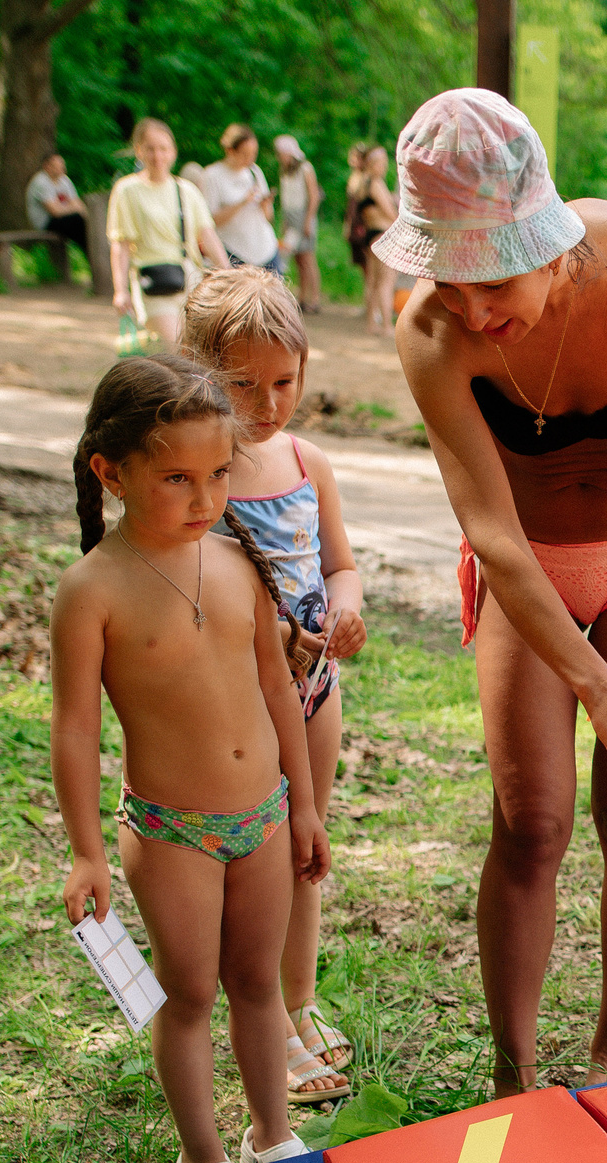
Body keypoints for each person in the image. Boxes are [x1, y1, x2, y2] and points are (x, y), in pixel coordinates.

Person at [381, 88, 607, 1091]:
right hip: (527, 568)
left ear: (551, 239)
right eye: (449, 276)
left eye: (494, 277)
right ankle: (513, 1078)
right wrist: (593, 688)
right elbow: (491, 536)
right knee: (531, 819)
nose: (476, 311)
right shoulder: (431, 337)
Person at [52, 354, 325, 1163]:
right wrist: (87, 850)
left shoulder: (240, 566)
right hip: (172, 831)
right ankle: (202, 1154)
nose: (205, 498)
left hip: (266, 815)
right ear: (113, 472)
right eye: (177, 477)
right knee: (190, 994)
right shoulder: (92, 589)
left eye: (216, 474)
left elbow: (280, 692)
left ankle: (270, 1133)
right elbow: (74, 728)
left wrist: (305, 806)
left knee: (256, 981)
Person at [182, 268, 366, 1106]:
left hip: (317, 690)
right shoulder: (200, 479)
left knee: (306, 848)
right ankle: (260, 1014)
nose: (266, 402)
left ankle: (301, 1000)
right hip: (240, 707)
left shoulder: (307, 461)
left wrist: (348, 606)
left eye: (284, 381)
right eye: (242, 384)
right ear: (200, 371)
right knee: (252, 865)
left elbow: (339, 563)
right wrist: (269, 634)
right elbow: (189, 593)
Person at [107, 118, 228, 348]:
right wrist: (120, 290)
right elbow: (121, 244)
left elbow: (207, 235)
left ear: (173, 152)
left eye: (163, 148)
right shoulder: (127, 190)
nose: (157, 155)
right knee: (175, 344)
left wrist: (228, 274)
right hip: (152, 282)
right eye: (150, 149)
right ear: (139, 151)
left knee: (197, 348)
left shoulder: (187, 190)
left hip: (190, 280)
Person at [204, 122, 279, 275]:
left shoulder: (254, 171)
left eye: (253, 153)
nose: (250, 159)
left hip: (266, 249)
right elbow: (209, 222)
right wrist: (243, 202)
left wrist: (265, 204)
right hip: (235, 252)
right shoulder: (212, 176)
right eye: (245, 154)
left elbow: (268, 217)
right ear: (230, 150)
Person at [348, 141, 398, 332]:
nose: (385, 167)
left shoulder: (361, 183)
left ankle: (372, 323)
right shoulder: (376, 184)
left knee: (373, 282)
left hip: (371, 235)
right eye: (383, 162)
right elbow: (390, 213)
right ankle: (386, 324)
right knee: (386, 281)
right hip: (383, 234)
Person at [273, 134, 324, 312]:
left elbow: (314, 196)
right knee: (297, 259)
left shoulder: (305, 168)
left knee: (308, 258)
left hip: (304, 215)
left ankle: (315, 299)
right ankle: (302, 297)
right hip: (291, 217)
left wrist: (308, 221)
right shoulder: (285, 171)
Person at [26, 149, 88, 257]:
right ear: (47, 166)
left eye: (62, 165)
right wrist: (72, 208)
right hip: (45, 223)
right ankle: (93, 257)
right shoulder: (40, 182)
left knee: (87, 224)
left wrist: (72, 209)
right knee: (78, 222)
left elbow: (78, 204)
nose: (62, 168)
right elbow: (55, 211)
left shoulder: (65, 180)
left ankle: (95, 255)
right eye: (58, 165)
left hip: (63, 220)